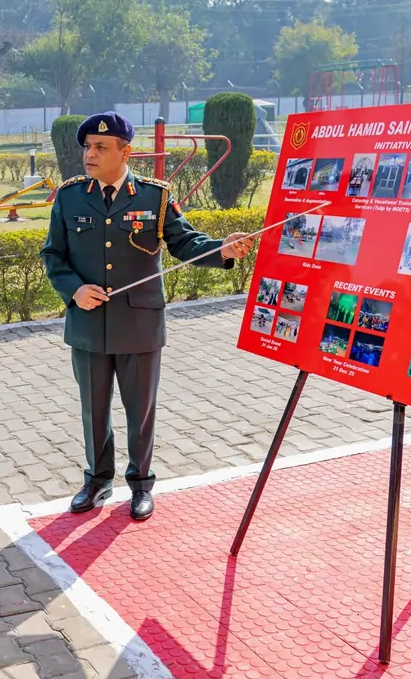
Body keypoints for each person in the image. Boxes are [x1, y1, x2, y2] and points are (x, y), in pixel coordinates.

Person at [40, 111, 255, 521]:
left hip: (139, 324)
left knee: (140, 410)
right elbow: (53, 254)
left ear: (126, 151)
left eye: (101, 147)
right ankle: (97, 479)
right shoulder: (69, 196)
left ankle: (140, 484)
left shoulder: (153, 196)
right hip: (88, 325)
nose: (91, 154)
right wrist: (74, 289)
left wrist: (222, 249)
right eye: (87, 146)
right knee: (94, 410)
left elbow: (183, 241)